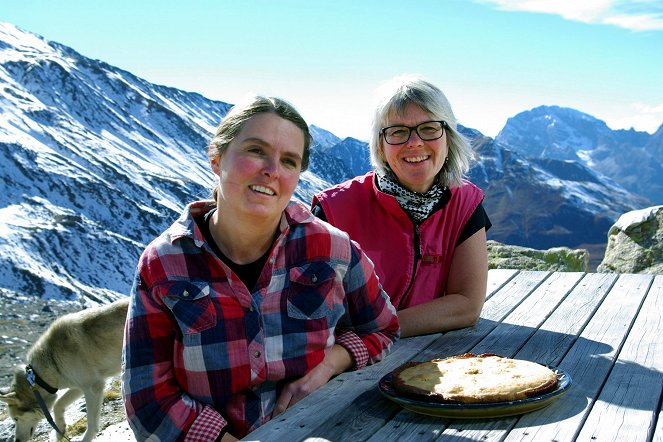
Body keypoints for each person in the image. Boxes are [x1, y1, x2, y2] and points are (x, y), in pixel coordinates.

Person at [122, 96, 399, 441]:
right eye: (255, 150)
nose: (271, 169)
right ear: (216, 157)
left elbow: (383, 329)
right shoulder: (164, 263)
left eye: (288, 161)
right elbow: (147, 398)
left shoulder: (332, 248)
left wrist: (330, 363)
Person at [312, 75, 490, 338]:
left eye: (429, 128)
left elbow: (466, 304)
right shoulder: (333, 211)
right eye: (397, 132)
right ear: (381, 147)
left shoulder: (465, 204)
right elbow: (315, 314)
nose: (414, 142)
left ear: (448, 138)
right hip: (348, 363)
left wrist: (380, 328)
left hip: (435, 355)